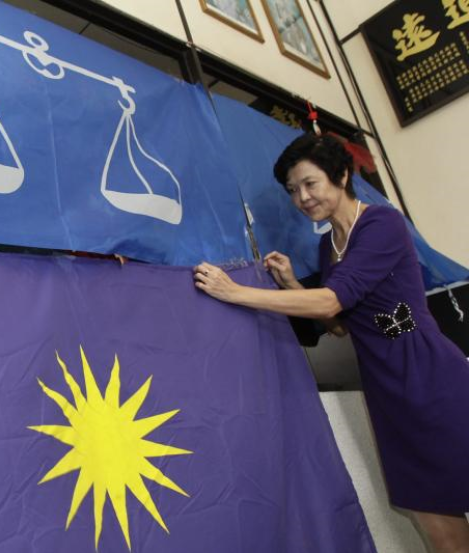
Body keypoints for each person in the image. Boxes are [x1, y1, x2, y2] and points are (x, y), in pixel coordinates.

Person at [193, 133, 469, 553]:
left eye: (310, 183)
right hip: (384, 388)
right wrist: (290, 282)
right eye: (292, 190)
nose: (302, 198)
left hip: (428, 374)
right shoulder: (329, 246)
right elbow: (340, 325)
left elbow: (330, 300)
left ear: (340, 176)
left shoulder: (381, 223)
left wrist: (233, 292)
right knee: (438, 527)